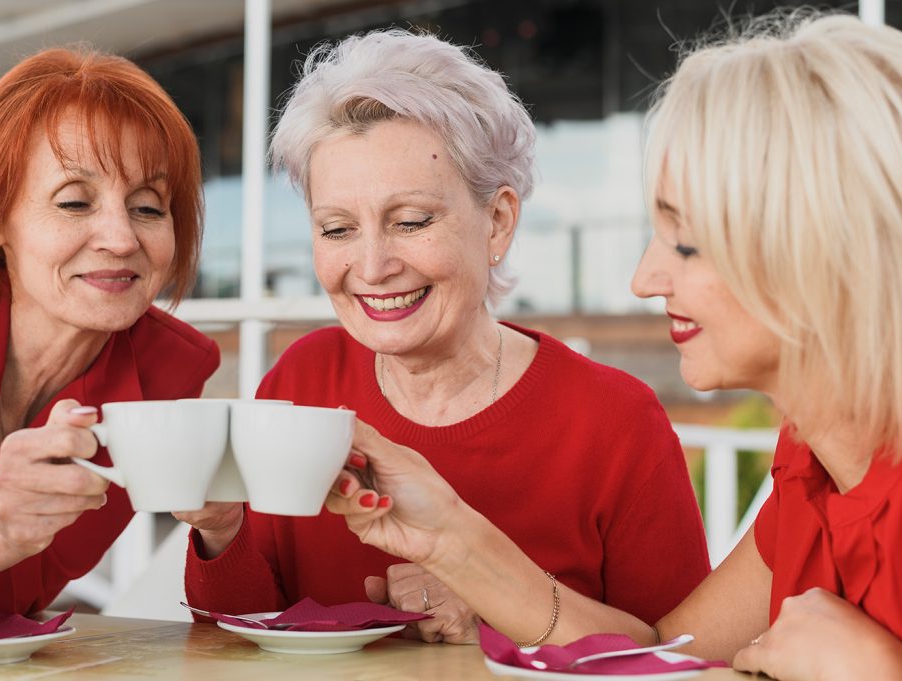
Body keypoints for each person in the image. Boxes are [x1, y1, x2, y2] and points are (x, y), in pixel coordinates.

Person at [324, 11, 902, 679]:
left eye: (686, 243)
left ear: (826, 252)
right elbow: (662, 656)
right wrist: (448, 536)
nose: (643, 279)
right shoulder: (812, 465)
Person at [178, 29, 709, 644]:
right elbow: (240, 635)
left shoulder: (615, 421)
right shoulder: (302, 380)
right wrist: (220, 530)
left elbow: (680, 655)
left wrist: (497, 607)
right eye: (337, 229)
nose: (372, 266)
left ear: (499, 222)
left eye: (411, 222)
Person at [0, 47, 221, 614]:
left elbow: (14, 600)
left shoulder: (167, 367)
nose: (120, 239)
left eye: (147, 208)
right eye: (74, 202)